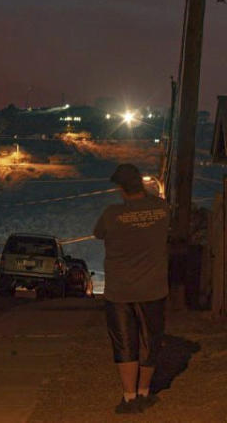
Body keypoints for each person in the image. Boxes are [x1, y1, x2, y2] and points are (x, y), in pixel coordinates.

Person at [94, 163, 170, 414]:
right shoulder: (161, 209)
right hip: (153, 288)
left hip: (120, 290)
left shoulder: (111, 214)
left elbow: (99, 234)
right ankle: (144, 392)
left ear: (121, 189)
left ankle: (129, 398)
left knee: (125, 342)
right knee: (150, 341)